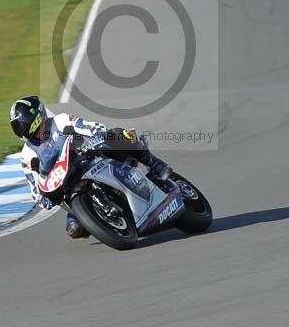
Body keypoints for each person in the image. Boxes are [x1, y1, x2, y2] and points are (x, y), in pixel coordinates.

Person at [10, 96, 173, 239]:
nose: (35, 134)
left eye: (34, 127)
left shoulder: (60, 121)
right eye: (28, 132)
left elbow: (91, 126)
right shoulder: (28, 154)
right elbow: (35, 188)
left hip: (90, 159)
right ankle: (107, 223)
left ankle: (154, 163)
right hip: (69, 187)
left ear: (41, 116)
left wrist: (96, 135)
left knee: (114, 135)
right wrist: (43, 199)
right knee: (74, 230)